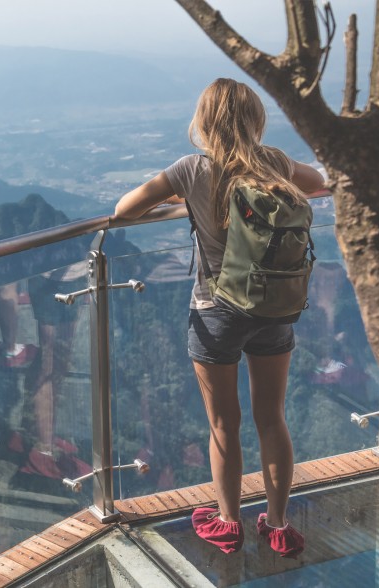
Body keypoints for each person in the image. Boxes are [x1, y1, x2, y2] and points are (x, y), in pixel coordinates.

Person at [111, 78, 325, 557]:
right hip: (274, 307)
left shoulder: (192, 168)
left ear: (204, 122)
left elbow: (124, 210)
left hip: (215, 311)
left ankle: (229, 523)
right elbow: (320, 184)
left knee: (224, 424)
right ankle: (278, 525)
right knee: (272, 419)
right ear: (255, 119)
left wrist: (182, 198)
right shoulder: (274, 163)